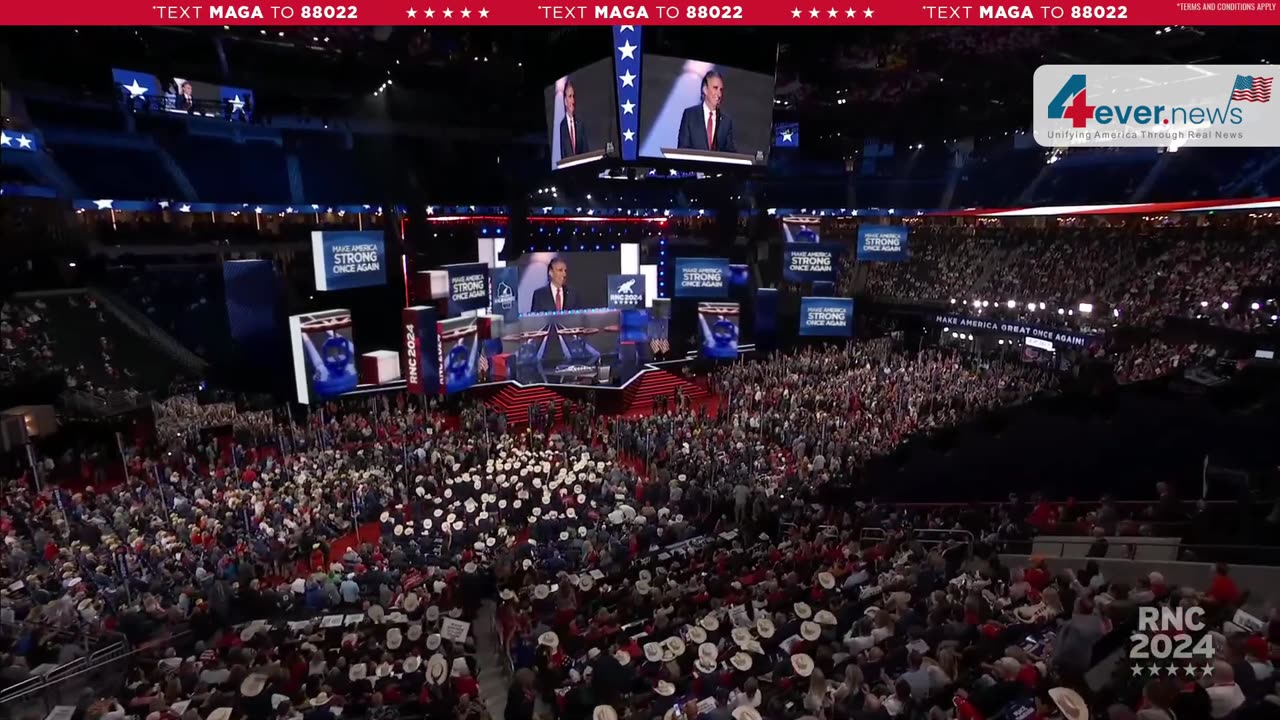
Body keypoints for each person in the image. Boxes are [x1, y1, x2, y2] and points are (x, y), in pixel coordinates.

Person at [677, 71, 736, 153]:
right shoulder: (690, 115)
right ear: (705, 89)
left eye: (721, 90)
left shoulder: (726, 121)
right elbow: (682, 149)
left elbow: (730, 153)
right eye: (715, 88)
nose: (719, 94)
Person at [558, 79, 590, 158]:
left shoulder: (580, 124)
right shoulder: (562, 126)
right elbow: (563, 155)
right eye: (570, 96)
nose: (573, 100)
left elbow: (586, 151)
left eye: (573, 96)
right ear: (565, 101)